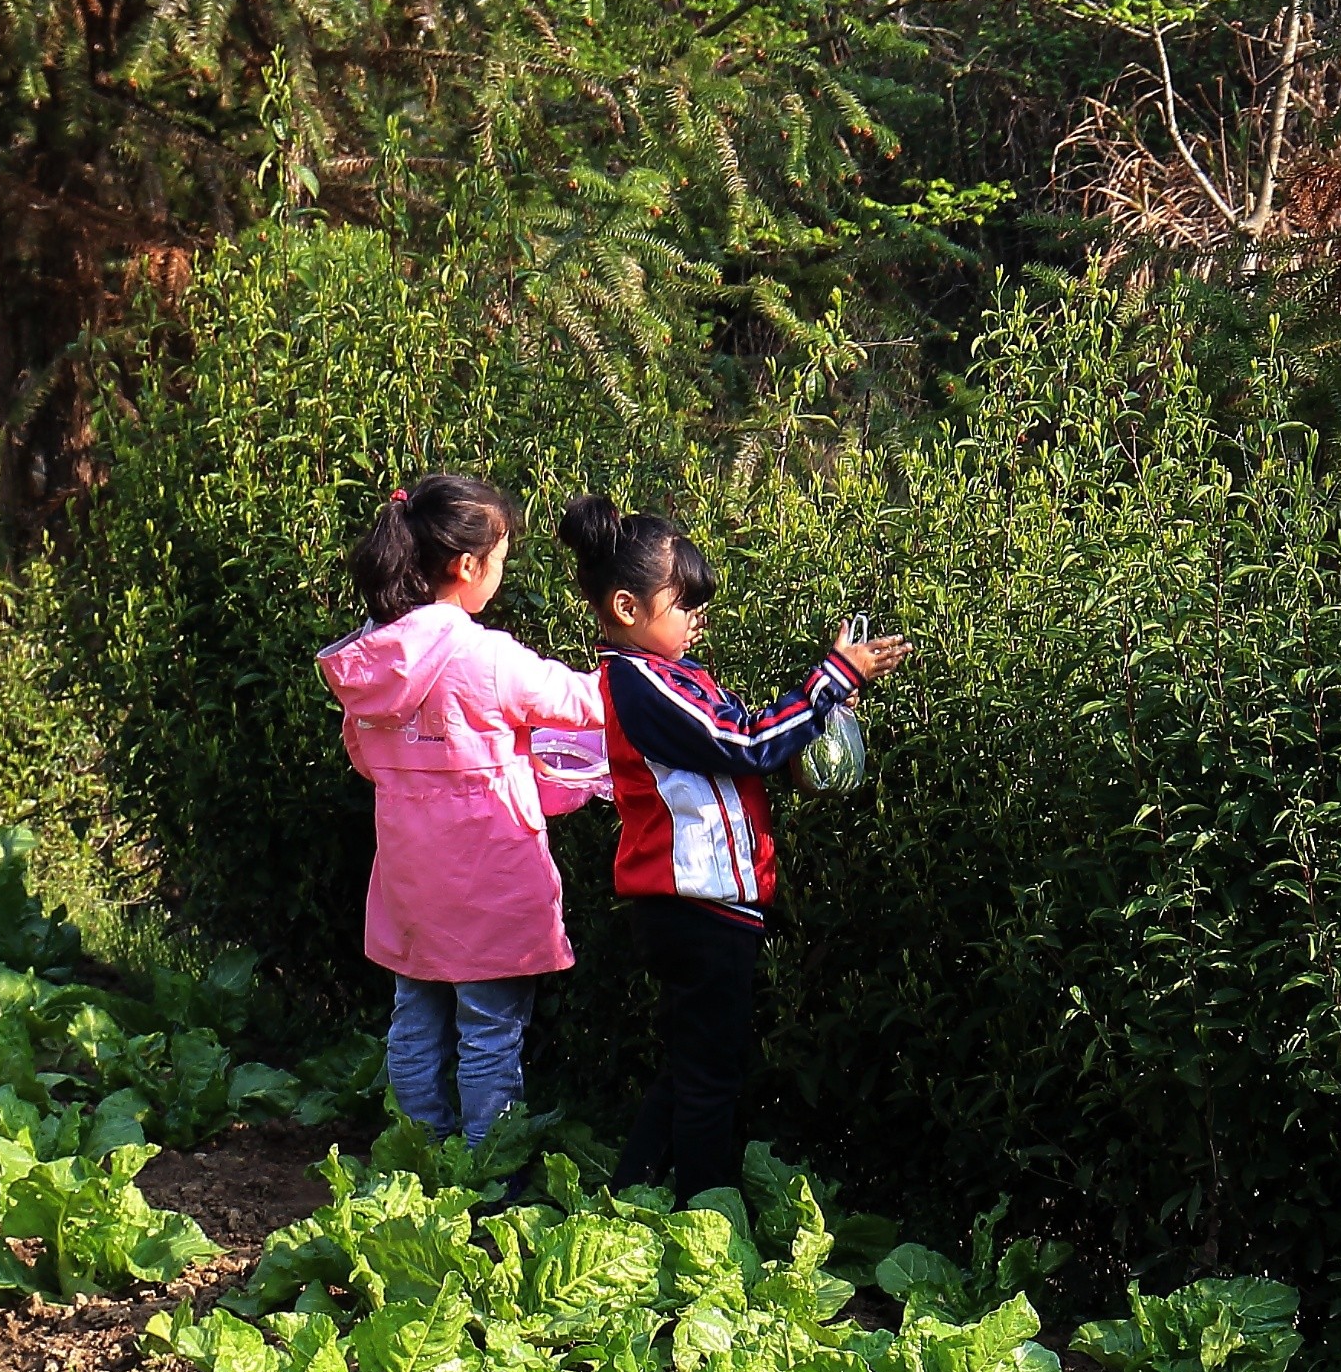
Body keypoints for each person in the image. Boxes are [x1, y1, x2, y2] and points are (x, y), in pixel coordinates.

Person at [555, 496, 908, 1205]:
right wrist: (831, 678)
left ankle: (631, 1201)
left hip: (705, 908)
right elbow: (744, 742)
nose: (697, 618)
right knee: (711, 1077)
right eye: (683, 604)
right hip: (694, 907)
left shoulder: (672, 678)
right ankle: (705, 1225)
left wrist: (822, 719)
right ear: (627, 607)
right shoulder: (640, 681)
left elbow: (748, 741)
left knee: (690, 1069)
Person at [320, 474, 610, 1149]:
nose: (500, 575)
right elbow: (589, 704)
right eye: (501, 560)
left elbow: (367, 760)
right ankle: (489, 1178)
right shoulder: (486, 658)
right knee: (490, 1034)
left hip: (410, 884)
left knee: (415, 1023)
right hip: (490, 884)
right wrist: (647, 669)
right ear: (467, 566)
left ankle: (418, 1162)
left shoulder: (372, 665)